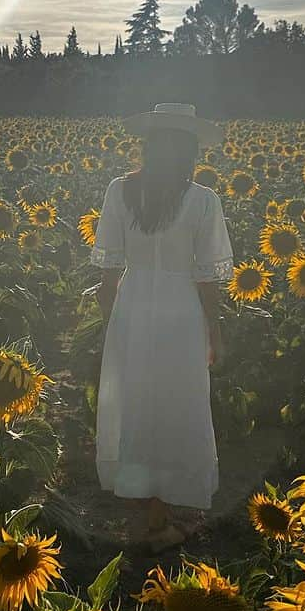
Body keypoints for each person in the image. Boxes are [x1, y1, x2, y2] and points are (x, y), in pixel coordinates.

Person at [90, 103, 233, 550]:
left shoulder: (120, 191)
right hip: (181, 309)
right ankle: (159, 519)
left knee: (136, 397)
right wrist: (215, 329)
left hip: (133, 305)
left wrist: (113, 311)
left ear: (148, 146)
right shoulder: (203, 200)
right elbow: (207, 275)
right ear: (191, 151)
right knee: (178, 402)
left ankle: (141, 507)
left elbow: (109, 266)